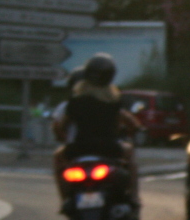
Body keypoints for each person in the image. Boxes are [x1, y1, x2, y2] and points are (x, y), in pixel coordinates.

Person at [51, 54, 142, 205]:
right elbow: (132, 123)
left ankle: (64, 199)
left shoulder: (75, 102)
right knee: (130, 155)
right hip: (108, 148)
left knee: (57, 158)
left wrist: (62, 137)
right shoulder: (113, 101)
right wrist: (131, 132)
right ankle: (134, 196)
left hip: (79, 148)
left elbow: (61, 127)